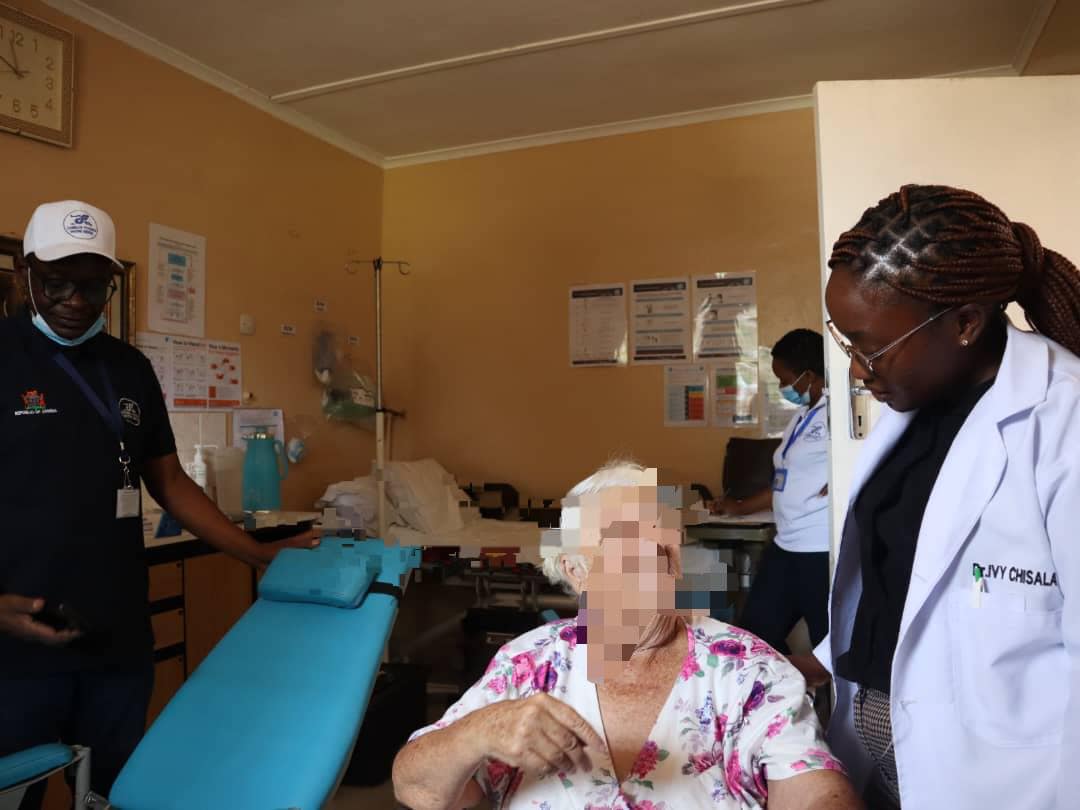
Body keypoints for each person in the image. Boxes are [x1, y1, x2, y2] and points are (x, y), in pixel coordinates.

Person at [0, 200, 317, 807]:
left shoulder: (129, 368)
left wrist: (257, 554)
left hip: (115, 634)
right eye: (57, 282)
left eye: (93, 285)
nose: (75, 300)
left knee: (117, 788)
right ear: (24, 273)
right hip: (17, 643)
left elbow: (168, 480)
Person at [802, 184, 1080, 809]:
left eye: (871, 348)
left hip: (1001, 784)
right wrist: (812, 664)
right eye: (847, 343)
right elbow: (908, 583)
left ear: (964, 324)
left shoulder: (1064, 424)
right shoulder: (915, 407)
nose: (857, 370)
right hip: (879, 763)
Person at [393, 462, 863, 810]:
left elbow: (813, 789)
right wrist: (478, 733)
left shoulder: (747, 669)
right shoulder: (529, 664)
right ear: (576, 570)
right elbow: (417, 789)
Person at [711, 330, 831, 654]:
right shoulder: (802, 416)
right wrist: (738, 507)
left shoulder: (838, 415)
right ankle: (786, 682)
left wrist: (843, 480)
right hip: (786, 544)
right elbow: (784, 483)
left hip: (819, 549)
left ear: (809, 375)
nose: (782, 388)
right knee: (755, 636)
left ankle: (821, 685)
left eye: (784, 380)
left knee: (829, 647)